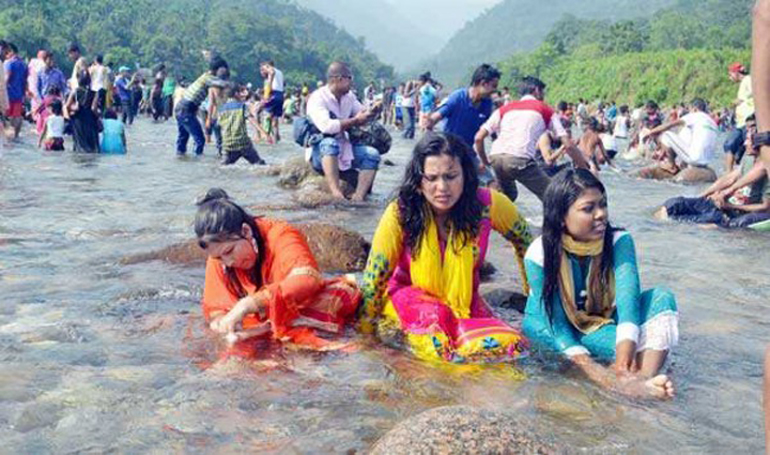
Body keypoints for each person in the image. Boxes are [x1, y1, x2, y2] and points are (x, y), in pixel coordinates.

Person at [359, 132, 532, 363]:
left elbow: (528, 245)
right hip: (407, 295)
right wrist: (366, 336)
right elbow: (374, 279)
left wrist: (533, 303)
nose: (442, 187)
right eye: (432, 178)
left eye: (451, 176)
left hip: (464, 300)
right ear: (419, 181)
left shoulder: (488, 206)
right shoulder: (400, 213)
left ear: (466, 176)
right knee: (439, 346)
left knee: (512, 348)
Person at [523, 168, 678, 400]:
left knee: (662, 298)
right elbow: (561, 328)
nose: (600, 214)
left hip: (598, 319)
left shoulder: (619, 241)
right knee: (639, 346)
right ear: (561, 218)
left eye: (602, 204)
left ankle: (640, 384)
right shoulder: (539, 254)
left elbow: (628, 303)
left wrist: (622, 365)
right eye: (588, 209)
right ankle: (641, 389)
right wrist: (595, 371)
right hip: (554, 326)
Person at [195, 188, 360, 352]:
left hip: (295, 304)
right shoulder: (219, 254)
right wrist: (222, 322)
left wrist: (249, 304)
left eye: (229, 252)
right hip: (262, 317)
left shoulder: (280, 234)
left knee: (332, 298)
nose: (228, 262)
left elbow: (307, 279)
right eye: (220, 258)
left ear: (246, 231)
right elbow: (215, 305)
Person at [658, 116, 770, 228]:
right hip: (721, 204)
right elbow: (729, 178)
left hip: (732, 212)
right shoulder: (748, 158)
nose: (745, 143)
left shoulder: (766, 168)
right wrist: (704, 195)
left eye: (748, 140)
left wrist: (730, 205)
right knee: (674, 204)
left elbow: (765, 206)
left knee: (687, 222)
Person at [474, 76, 571, 203]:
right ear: (536, 90)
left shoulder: (505, 108)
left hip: (496, 157)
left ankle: (486, 217)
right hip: (519, 159)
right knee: (553, 197)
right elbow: (569, 145)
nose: (543, 96)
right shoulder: (544, 108)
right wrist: (585, 168)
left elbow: (478, 138)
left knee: (509, 196)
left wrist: (485, 161)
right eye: (543, 92)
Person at [306, 61, 381, 202]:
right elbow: (326, 127)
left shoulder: (349, 97)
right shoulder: (318, 98)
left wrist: (373, 111)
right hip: (321, 150)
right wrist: (355, 121)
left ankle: (359, 196)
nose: (352, 82)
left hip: (345, 147)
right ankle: (336, 193)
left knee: (372, 155)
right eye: (350, 78)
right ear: (339, 78)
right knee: (330, 144)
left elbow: (361, 112)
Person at [425, 64, 499, 152]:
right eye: (494, 86)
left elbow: (490, 129)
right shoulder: (457, 98)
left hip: (468, 152)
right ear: (483, 83)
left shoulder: (487, 104)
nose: (495, 90)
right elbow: (434, 119)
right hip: (449, 150)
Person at [647, 98, 718, 175]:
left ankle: (671, 165)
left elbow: (669, 125)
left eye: (690, 110)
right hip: (706, 161)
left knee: (666, 135)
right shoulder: (711, 121)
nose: (689, 112)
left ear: (694, 109)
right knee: (687, 131)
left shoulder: (694, 115)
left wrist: (650, 132)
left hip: (695, 159)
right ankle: (682, 163)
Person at [174, 56, 228, 156]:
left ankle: (181, 159)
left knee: (183, 137)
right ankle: (197, 162)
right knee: (200, 140)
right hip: (186, 109)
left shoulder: (206, 76)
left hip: (182, 108)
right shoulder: (209, 78)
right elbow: (223, 84)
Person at [216, 83, 266, 165]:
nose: (243, 94)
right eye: (241, 92)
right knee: (259, 164)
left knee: (224, 166)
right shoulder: (242, 106)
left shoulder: (221, 109)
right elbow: (252, 120)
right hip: (243, 144)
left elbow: (218, 125)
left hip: (228, 145)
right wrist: (263, 133)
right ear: (236, 94)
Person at [723, 63, 754, 171]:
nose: (730, 77)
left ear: (736, 73)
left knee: (749, 147)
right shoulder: (744, 82)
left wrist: (739, 101)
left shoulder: (748, 80)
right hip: (740, 122)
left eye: (730, 74)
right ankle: (729, 173)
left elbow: (753, 93)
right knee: (729, 145)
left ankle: (746, 171)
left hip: (747, 121)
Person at [65, 71, 100, 153]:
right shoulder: (94, 93)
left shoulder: (74, 92)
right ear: (89, 81)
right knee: (92, 145)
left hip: (78, 120)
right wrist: (98, 116)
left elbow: (67, 106)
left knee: (79, 144)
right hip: (90, 119)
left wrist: (71, 113)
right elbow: (93, 108)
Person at [3, 42, 28, 140]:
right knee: (16, 116)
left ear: (11, 52)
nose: (6, 55)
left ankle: (7, 138)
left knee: (6, 117)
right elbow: (25, 80)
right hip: (19, 95)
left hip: (8, 95)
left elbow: (7, 78)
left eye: (7, 53)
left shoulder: (9, 63)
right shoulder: (23, 64)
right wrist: (23, 94)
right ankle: (16, 136)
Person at [261, 60, 284, 143]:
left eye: (263, 68)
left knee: (259, 111)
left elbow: (271, 72)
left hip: (273, 94)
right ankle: (276, 138)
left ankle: (264, 135)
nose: (263, 70)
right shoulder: (280, 72)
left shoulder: (271, 70)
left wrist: (267, 94)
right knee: (274, 118)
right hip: (280, 95)